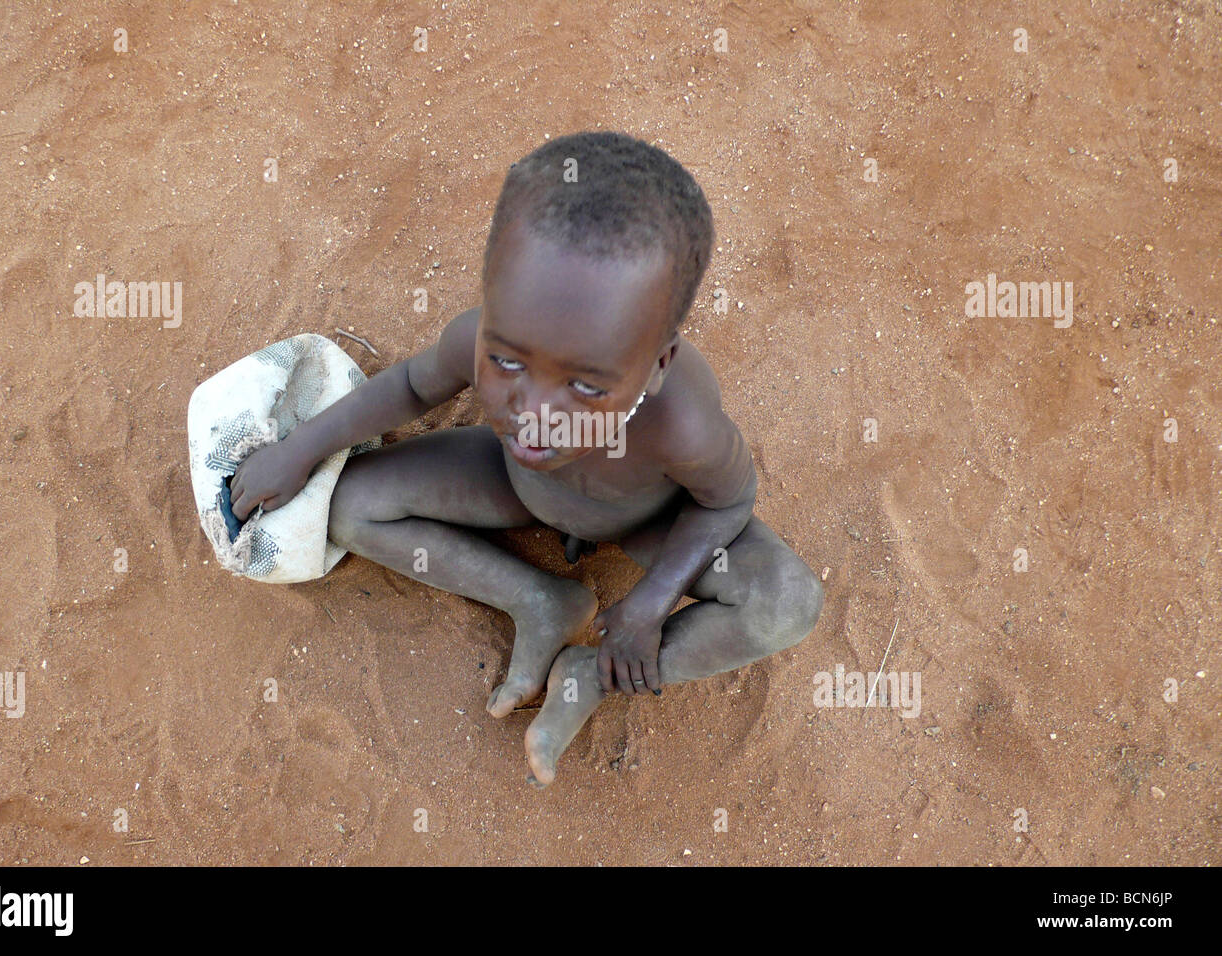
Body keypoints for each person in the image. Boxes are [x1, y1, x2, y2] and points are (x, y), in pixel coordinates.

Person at [230, 130, 822, 786]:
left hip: (646, 520)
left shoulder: (681, 424)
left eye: (586, 385)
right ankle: (540, 601)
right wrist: (299, 449)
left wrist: (653, 600)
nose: (534, 410)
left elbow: (730, 500)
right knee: (350, 508)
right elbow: (409, 387)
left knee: (785, 603)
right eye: (508, 361)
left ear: (656, 366)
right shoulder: (473, 339)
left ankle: (592, 674)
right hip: (514, 484)